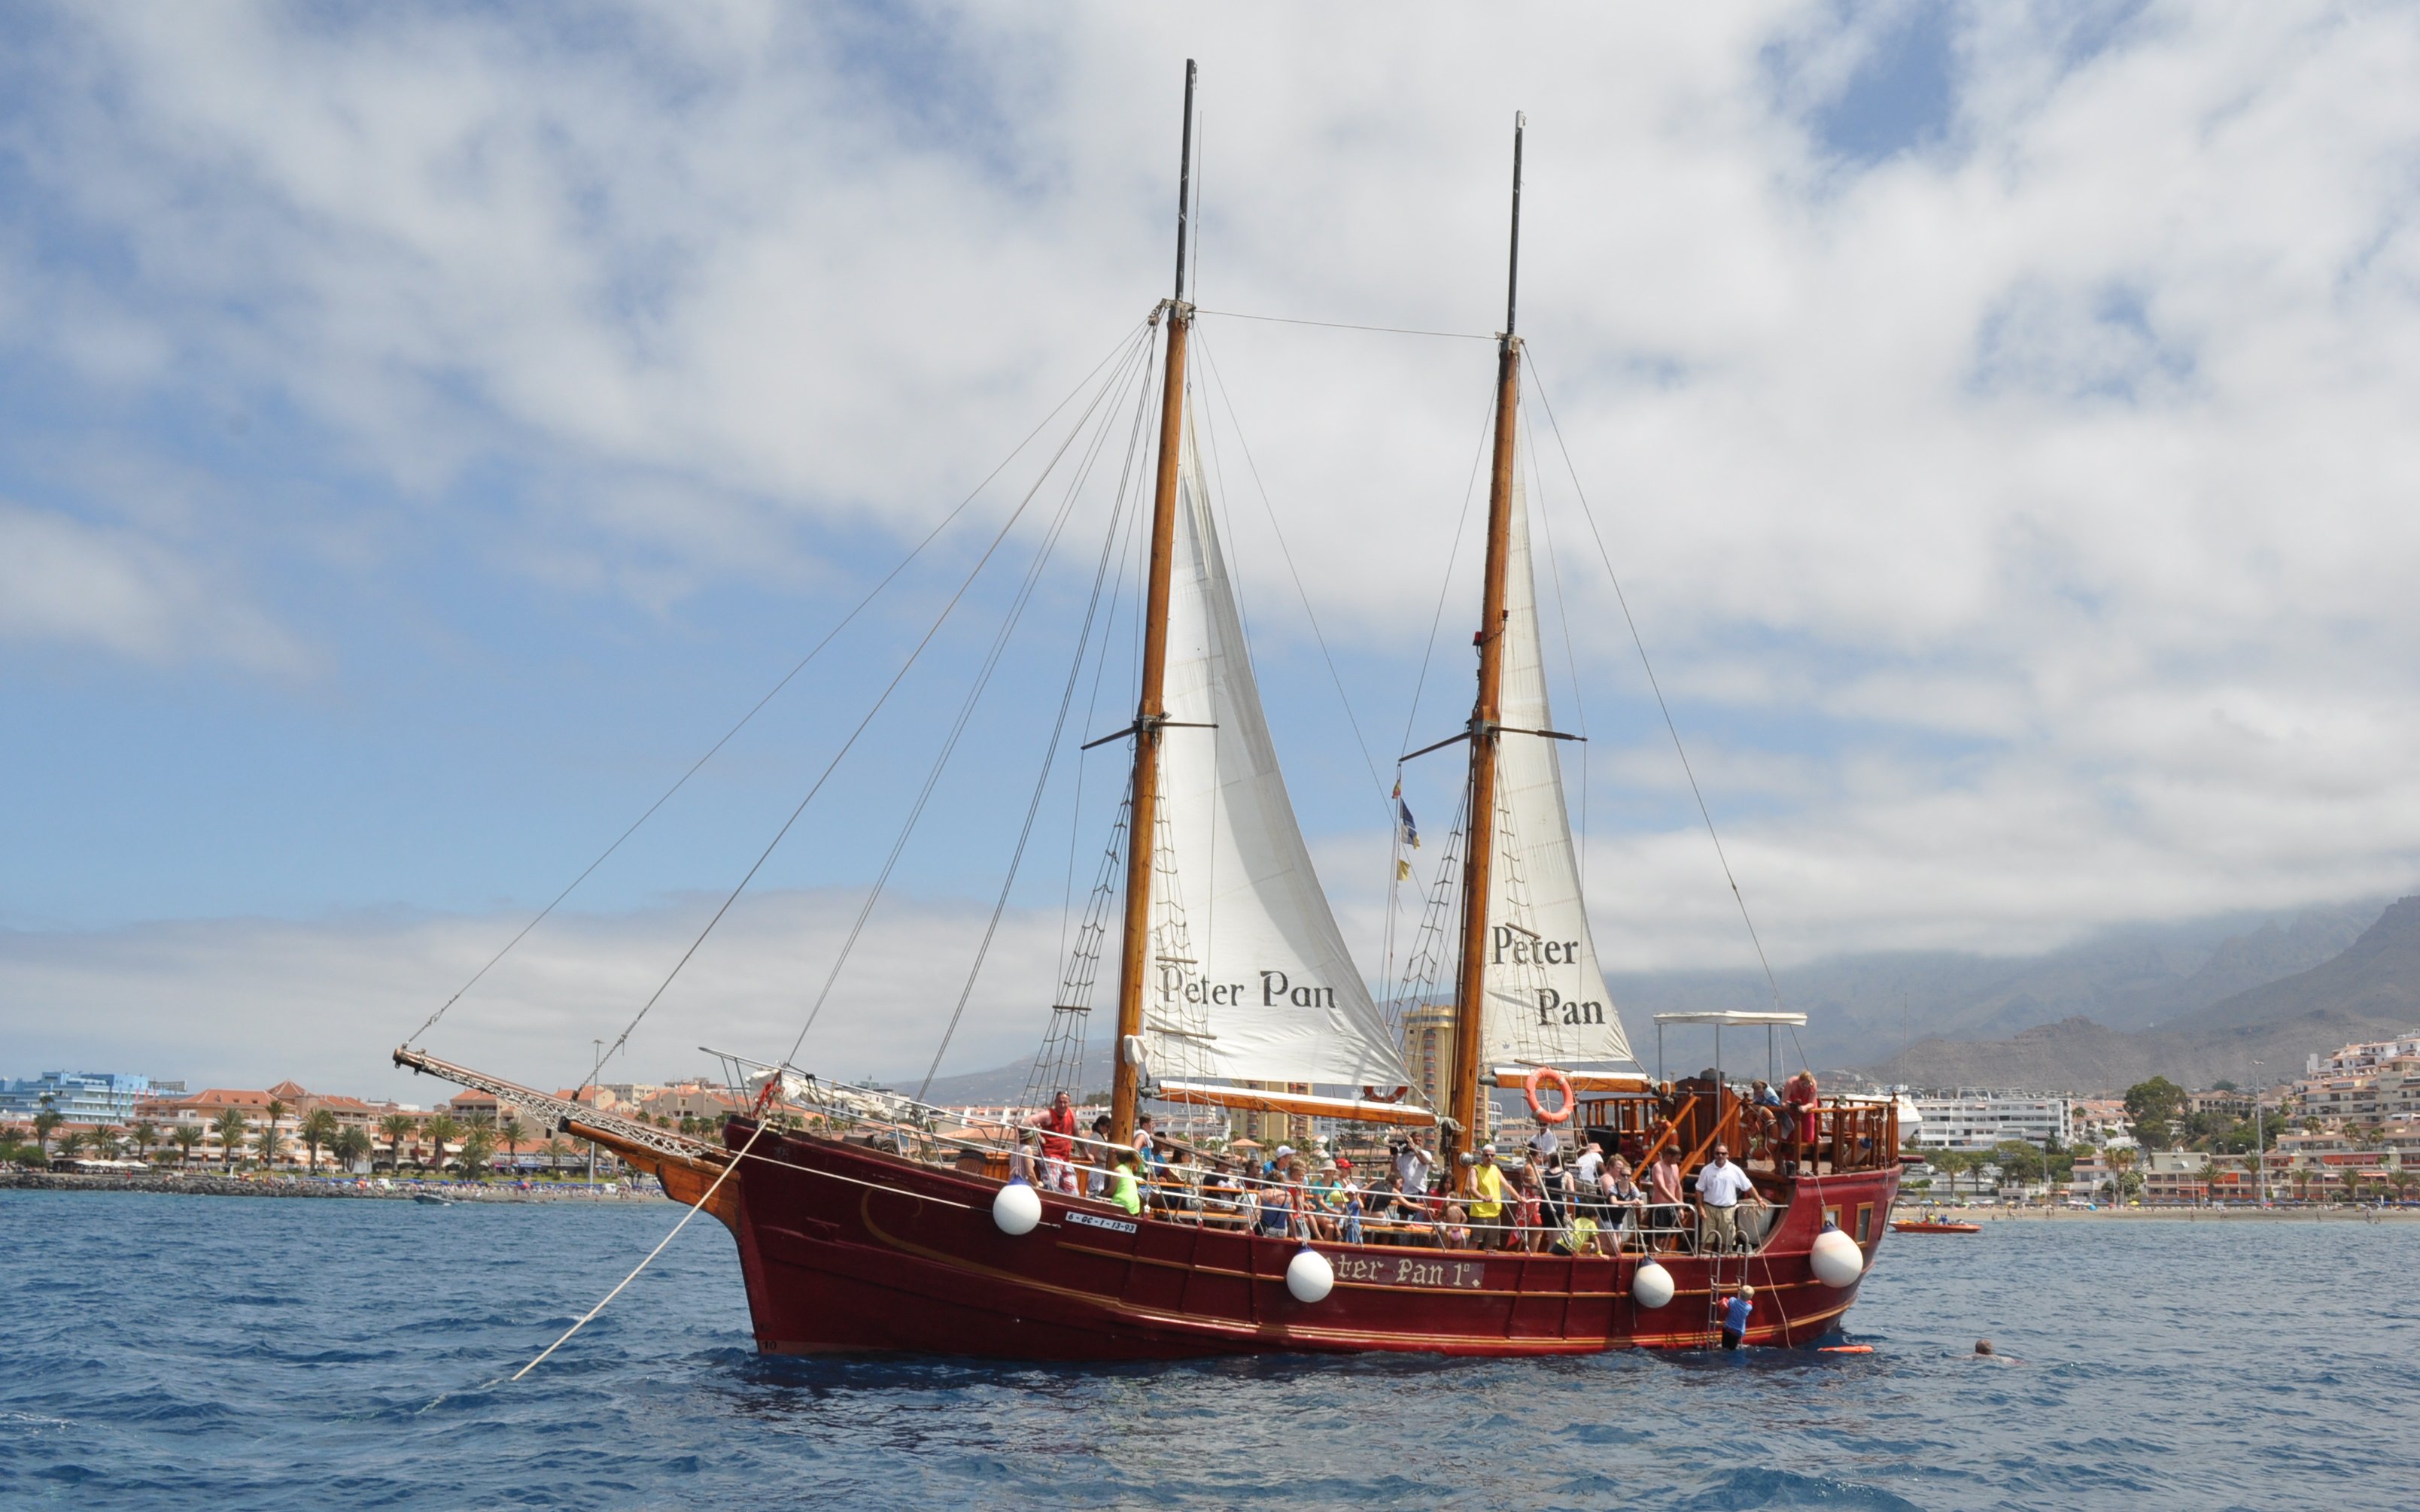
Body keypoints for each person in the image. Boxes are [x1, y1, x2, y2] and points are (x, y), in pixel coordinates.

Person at [1694, 1142, 1767, 1254]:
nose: (1720, 1156)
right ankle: (1704, 1266)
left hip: (1728, 1210)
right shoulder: (1706, 1170)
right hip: (1709, 1209)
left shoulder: (1735, 1170)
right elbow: (1699, 1190)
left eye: (1723, 1153)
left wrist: (1759, 1200)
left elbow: (1748, 1186)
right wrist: (1700, 1207)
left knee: (1726, 1243)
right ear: (1714, 1154)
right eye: (1717, 1153)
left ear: (1728, 1155)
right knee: (1707, 1241)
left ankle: (1724, 1265)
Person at [1030, 1091, 1081, 1195]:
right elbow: (1029, 1121)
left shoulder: (1071, 1115)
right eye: (1060, 1102)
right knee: (1051, 1188)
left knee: (1074, 1193)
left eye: (1065, 1102)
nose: (1062, 1105)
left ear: (1069, 1103)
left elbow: (1077, 1134)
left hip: (1065, 1159)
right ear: (1055, 1102)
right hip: (1050, 1156)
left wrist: (1087, 1153)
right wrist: (1038, 1136)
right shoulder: (1049, 1114)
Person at [1467, 1145, 1509, 1249]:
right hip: (1479, 1214)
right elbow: (1473, 1189)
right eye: (1487, 1155)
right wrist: (1483, 1197)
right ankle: (1468, 1263)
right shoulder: (1475, 1169)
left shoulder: (1496, 1169)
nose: (1489, 1157)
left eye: (1492, 1155)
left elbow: (1507, 1186)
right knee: (1475, 1242)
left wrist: (1519, 1198)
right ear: (1482, 1156)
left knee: (1491, 1244)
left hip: (1495, 1214)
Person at [1647, 1146, 1688, 1253]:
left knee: (1670, 1237)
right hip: (1660, 1206)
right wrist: (1676, 1201)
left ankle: (1666, 1256)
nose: (1677, 1161)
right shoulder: (1658, 1167)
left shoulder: (1675, 1167)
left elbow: (1678, 1186)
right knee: (1658, 1238)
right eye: (1676, 1158)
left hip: (1673, 1207)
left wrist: (1680, 1206)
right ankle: (1653, 1256)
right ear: (1669, 1156)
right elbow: (1661, 1186)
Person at [1783, 1070, 1820, 1175]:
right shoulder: (1791, 1083)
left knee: (1808, 1137)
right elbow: (1784, 1101)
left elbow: (1812, 1103)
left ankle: (1802, 1161)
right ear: (1800, 1080)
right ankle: (1789, 1163)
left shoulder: (1813, 1085)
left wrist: (1805, 1107)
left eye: (1808, 1084)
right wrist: (1790, 1105)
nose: (1806, 1086)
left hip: (1807, 1111)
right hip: (1793, 1111)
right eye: (1804, 1084)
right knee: (1791, 1137)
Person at [1394, 1131, 1434, 1201]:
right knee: (1403, 1212)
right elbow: (1394, 1171)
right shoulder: (1403, 1157)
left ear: (1422, 1143)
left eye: (1419, 1140)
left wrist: (1414, 1148)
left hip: (1419, 1192)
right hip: (1405, 1192)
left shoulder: (1425, 1154)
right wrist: (1395, 1155)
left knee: (1418, 1212)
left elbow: (1425, 1161)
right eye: (1415, 1140)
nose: (1417, 1142)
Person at [1106, 1146, 1143, 1216]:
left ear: (1115, 1157)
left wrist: (1100, 1195)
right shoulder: (1129, 1170)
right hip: (1134, 1208)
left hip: (1123, 1206)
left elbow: (1111, 1191)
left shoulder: (1118, 1170)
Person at [1716, 1283, 1754, 1350]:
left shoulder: (1732, 1300)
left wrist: (1723, 1301)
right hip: (1737, 1332)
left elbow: (1727, 1302)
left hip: (1727, 1329)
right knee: (1732, 1349)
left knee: (1724, 1347)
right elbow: (1750, 1303)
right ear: (1750, 1298)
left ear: (1739, 1293)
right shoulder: (1749, 1307)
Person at [1086, 1114, 1113, 1198]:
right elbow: (1093, 1154)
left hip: (1096, 1171)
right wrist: (1107, 1161)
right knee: (1095, 1194)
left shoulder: (1096, 1135)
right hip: (1097, 1172)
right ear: (1100, 1125)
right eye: (1107, 1126)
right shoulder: (1098, 1137)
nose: (1108, 1129)